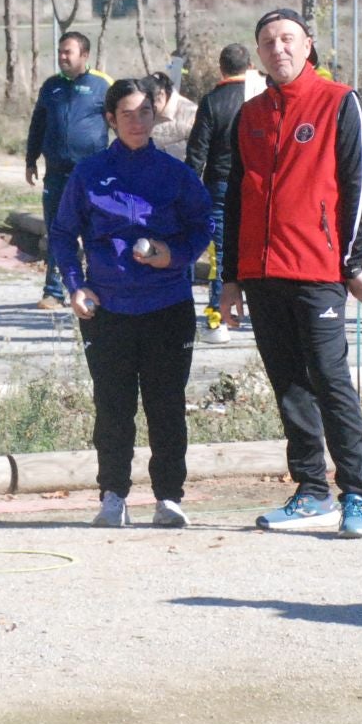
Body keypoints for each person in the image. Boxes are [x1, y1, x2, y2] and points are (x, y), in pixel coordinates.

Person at [219, 8, 362, 540]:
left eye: (288, 39)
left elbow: (361, 187)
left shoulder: (339, 102)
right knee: (288, 384)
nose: (279, 49)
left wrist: (353, 263)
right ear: (258, 54)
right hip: (261, 271)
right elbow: (234, 198)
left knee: (330, 380)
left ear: (307, 44)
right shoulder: (249, 115)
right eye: (268, 42)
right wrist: (230, 276)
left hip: (317, 269)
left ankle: (356, 495)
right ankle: (311, 490)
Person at [49, 76, 213, 529]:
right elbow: (63, 233)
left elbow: (203, 224)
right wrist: (75, 285)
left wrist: (173, 256)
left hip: (167, 307)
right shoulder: (88, 173)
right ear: (110, 119)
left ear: (156, 115)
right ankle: (113, 494)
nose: (137, 122)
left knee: (166, 405)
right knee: (113, 406)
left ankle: (169, 497)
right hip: (109, 310)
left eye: (145, 112)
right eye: (127, 114)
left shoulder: (176, 173)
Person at [25, 32, 110, 309]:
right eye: (60, 52)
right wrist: (30, 159)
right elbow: (38, 124)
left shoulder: (102, 86)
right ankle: (53, 291)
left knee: (94, 231)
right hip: (57, 174)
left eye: (68, 52)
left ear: (84, 55)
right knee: (57, 231)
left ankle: (97, 288)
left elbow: (121, 123)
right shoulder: (51, 87)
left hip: (92, 177)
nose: (62, 57)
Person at [185, 43, 253, 344]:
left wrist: (188, 188)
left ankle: (217, 319)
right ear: (249, 66)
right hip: (256, 185)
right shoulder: (261, 97)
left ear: (221, 68)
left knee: (221, 254)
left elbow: (197, 152)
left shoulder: (212, 102)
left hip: (221, 186)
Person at [147, 68, 197, 160]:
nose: (147, 109)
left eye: (150, 104)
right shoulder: (145, 112)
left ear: (161, 95)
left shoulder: (191, 113)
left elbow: (197, 152)